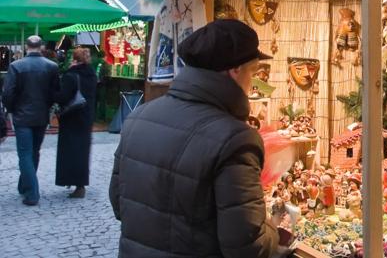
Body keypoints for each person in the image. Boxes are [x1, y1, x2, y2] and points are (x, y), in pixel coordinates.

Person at [109, 19, 292, 258]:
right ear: (236, 70)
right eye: (253, 72)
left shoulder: (138, 117)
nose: (253, 83)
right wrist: (273, 229)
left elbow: (120, 204)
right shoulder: (235, 139)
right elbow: (248, 247)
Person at [0, 35, 60, 206]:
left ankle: (32, 193)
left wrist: (12, 110)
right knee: (34, 151)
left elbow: (8, 93)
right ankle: (24, 185)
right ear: (41, 47)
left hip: (22, 115)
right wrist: (48, 107)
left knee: (25, 154)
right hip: (41, 115)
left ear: (27, 47)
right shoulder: (52, 66)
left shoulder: (16, 66)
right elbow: (55, 92)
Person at [56, 47, 97, 198]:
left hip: (72, 118)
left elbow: (62, 97)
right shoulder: (91, 75)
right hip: (86, 117)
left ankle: (74, 182)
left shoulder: (71, 76)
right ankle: (80, 183)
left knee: (71, 151)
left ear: (74, 59)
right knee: (82, 151)